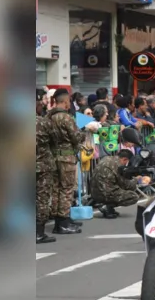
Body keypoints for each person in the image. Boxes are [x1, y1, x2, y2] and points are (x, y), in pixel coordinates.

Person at [47, 89, 85, 234]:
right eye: (68, 101)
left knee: (56, 188)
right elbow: (76, 137)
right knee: (66, 189)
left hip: (53, 156)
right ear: (64, 102)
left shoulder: (48, 117)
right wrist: (81, 136)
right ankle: (63, 221)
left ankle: (59, 220)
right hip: (67, 157)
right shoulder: (66, 118)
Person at [90, 149, 141, 218]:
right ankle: (106, 206)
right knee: (134, 196)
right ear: (125, 159)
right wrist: (136, 179)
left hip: (94, 192)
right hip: (105, 193)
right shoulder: (118, 166)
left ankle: (105, 205)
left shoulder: (106, 158)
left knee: (114, 186)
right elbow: (127, 185)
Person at [36, 99, 57, 243]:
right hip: (43, 165)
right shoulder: (43, 122)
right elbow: (55, 139)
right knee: (42, 198)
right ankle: (39, 232)